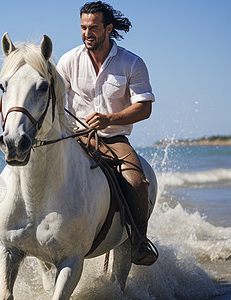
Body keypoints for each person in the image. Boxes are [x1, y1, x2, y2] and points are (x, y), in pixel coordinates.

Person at [57, 1, 157, 265]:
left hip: (114, 140)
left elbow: (144, 108)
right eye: (83, 27)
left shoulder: (132, 62)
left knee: (137, 183)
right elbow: (55, 100)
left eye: (93, 28)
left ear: (108, 29)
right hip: (75, 138)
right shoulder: (68, 60)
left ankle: (138, 243)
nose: (87, 33)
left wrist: (109, 119)